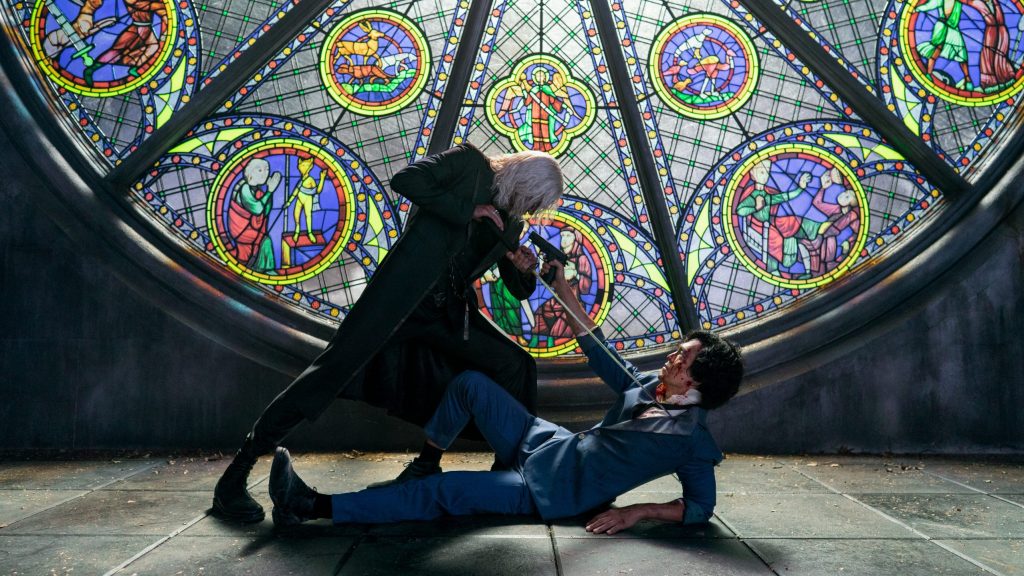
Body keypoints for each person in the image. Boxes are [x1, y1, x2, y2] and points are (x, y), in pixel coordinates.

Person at [212, 143, 563, 522]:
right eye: (531, 200)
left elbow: (516, 287)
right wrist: (468, 210)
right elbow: (406, 179)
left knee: (515, 364)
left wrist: (523, 268)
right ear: (521, 179)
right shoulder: (467, 163)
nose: (529, 210)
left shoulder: (511, 222)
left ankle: (503, 478)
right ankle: (235, 478)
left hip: (446, 315)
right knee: (327, 376)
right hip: (398, 301)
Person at [267, 259, 744, 532]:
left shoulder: (692, 442)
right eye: (678, 353)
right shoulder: (650, 387)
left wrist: (635, 511)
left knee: (444, 494)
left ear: (700, 385)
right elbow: (600, 349)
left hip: (553, 493)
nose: (671, 361)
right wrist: (562, 290)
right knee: (472, 385)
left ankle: (311, 507)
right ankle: (427, 458)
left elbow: (701, 506)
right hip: (548, 443)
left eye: (682, 361)